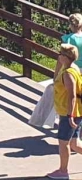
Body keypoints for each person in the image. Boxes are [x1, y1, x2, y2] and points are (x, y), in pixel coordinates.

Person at [51, 43, 82, 179]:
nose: (58, 55)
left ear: (65, 57)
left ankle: (63, 172)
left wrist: (70, 116)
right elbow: (55, 78)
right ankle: (62, 170)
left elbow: (72, 95)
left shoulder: (68, 73)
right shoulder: (72, 67)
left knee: (64, 144)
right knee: (74, 144)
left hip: (68, 112)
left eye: (60, 53)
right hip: (76, 112)